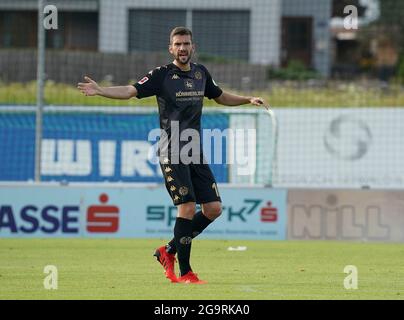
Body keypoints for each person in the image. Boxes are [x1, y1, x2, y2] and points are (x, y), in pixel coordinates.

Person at [78, 26, 267, 284]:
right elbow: (131, 91)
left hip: (195, 150)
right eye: (177, 44)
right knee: (187, 206)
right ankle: (186, 272)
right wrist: (101, 90)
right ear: (171, 48)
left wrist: (247, 99)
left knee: (213, 208)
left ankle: (168, 250)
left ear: (192, 46)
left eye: (186, 43)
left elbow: (221, 97)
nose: (182, 48)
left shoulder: (201, 73)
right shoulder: (161, 75)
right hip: (171, 149)